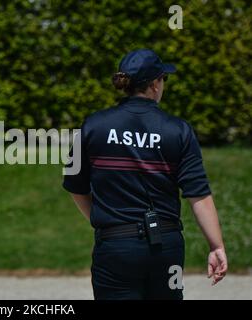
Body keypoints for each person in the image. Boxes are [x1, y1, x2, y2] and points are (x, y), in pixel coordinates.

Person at [63, 49, 228, 300]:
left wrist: (104, 221)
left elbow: (76, 186)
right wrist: (216, 246)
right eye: (164, 79)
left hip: (115, 246)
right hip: (167, 247)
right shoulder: (179, 130)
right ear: (154, 84)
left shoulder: (93, 125)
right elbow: (198, 195)